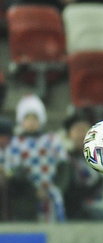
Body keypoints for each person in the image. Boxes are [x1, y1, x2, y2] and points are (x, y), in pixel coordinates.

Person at [4, 94, 68, 222]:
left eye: (35, 118)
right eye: (28, 118)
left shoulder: (53, 140)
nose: (31, 122)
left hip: (51, 195)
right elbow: (13, 172)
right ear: (21, 120)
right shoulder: (14, 144)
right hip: (25, 199)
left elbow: (64, 167)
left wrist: (56, 188)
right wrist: (33, 191)